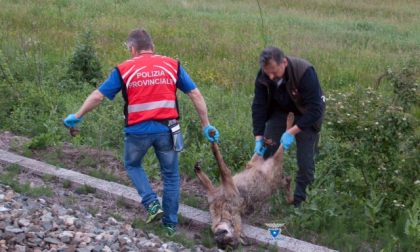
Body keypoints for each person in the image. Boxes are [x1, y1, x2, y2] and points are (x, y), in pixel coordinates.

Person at [63, 28, 220, 236]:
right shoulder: (172, 65)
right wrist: (206, 124)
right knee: (171, 175)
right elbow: (194, 93)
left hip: (137, 132)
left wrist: (78, 114)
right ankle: (170, 226)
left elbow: (98, 96)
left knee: (132, 164)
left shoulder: (124, 69)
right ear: (152, 48)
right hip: (168, 129)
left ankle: (151, 203)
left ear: (132, 49)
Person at [252, 46, 325, 207]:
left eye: (274, 71)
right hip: (280, 112)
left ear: (284, 62)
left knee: (305, 163)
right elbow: (259, 106)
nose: (270, 76)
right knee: (267, 151)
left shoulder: (305, 72)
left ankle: (300, 205)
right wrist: (259, 137)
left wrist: (291, 131)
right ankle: (268, 194)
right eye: (267, 72)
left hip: (307, 114)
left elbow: (316, 109)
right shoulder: (264, 76)